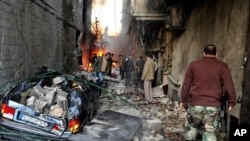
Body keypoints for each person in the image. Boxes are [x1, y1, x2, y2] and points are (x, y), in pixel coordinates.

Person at [179, 44, 236, 141]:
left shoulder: (193, 65)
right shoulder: (223, 66)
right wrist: (231, 102)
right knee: (210, 132)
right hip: (213, 106)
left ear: (204, 53)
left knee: (192, 128)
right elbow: (229, 85)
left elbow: (186, 85)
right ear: (216, 54)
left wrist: (183, 101)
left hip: (195, 104)